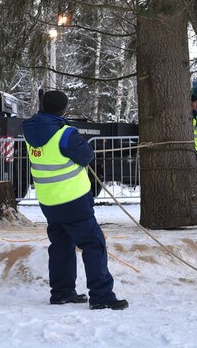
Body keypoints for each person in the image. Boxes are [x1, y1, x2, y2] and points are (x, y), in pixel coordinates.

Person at [23, 90, 127, 310]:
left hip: (48, 200)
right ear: (64, 109)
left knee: (61, 244)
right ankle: (102, 296)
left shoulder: (28, 130)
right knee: (94, 244)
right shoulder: (65, 133)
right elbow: (86, 156)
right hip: (72, 198)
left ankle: (62, 292)